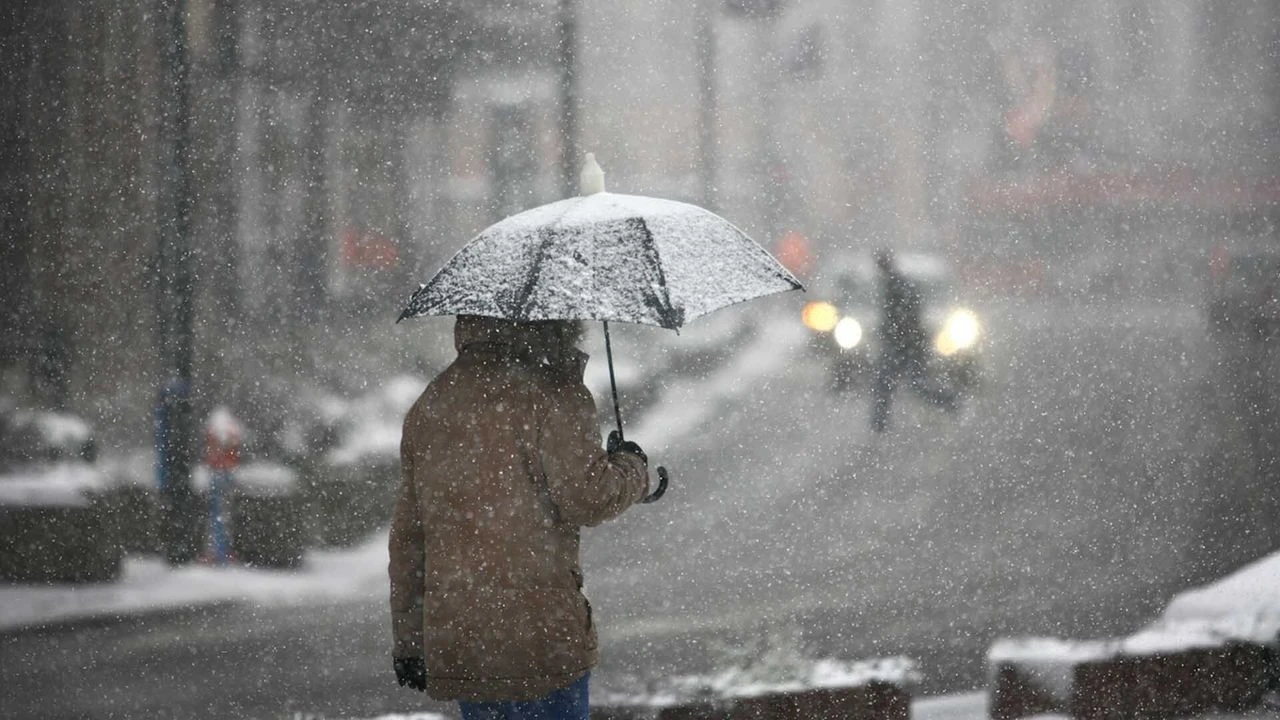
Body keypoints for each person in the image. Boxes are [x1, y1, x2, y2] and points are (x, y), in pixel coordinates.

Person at [388, 314, 650, 719]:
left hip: (464, 640)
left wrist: (409, 640)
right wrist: (632, 467)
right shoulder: (555, 392)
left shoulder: (434, 401)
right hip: (541, 640)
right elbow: (588, 498)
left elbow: (410, 538)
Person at [870, 249, 957, 433]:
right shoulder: (894, 284)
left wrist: (899, 334)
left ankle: (950, 401)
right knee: (893, 384)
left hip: (906, 346)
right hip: (904, 345)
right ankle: (879, 423)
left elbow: (906, 317)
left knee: (906, 384)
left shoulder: (897, 285)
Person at [202, 405, 243, 565]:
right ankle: (223, 552)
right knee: (224, 515)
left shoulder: (216, 430)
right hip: (227, 474)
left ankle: (219, 553)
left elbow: (214, 453)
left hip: (218, 474)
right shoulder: (232, 429)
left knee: (216, 515)